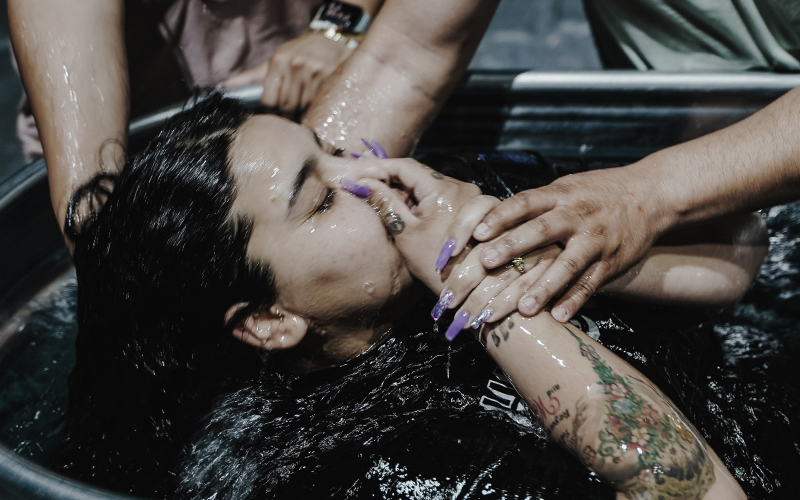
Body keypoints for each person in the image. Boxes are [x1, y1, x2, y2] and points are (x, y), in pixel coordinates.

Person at [56, 94, 762, 499]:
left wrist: (508, 237)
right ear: (271, 321)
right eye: (322, 197)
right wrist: (478, 287)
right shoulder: (377, 473)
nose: (371, 171)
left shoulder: (466, 209)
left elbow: (738, 257)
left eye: (333, 147)